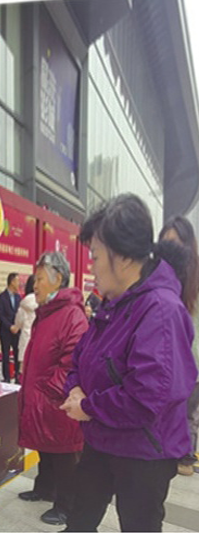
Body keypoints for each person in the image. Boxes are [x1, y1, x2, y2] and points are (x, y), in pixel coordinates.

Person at [60, 194, 198, 532]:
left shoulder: (161, 310)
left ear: (121, 257)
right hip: (102, 437)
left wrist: (88, 406)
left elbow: (146, 398)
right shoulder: (114, 304)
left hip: (144, 452)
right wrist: (75, 390)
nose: (91, 266)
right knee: (79, 519)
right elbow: (80, 358)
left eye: (95, 256)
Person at [17, 252, 88, 526]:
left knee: (64, 453)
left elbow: (72, 363)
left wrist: (48, 391)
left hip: (58, 400)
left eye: (39, 279)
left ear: (58, 279)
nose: (34, 285)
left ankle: (66, 506)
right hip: (42, 397)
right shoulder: (47, 312)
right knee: (45, 447)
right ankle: (45, 488)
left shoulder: (72, 315)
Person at [159, 215, 199, 477]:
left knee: (186, 418)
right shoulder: (157, 277)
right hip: (163, 367)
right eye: (165, 242)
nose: (169, 249)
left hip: (191, 368)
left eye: (174, 242)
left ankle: (184, 454)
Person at [0, 272, 21, 383]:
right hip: (5, 331)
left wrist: (17, 326)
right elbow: (0, 315)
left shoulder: (18, 297)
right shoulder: (2, 297)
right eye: (17, 281)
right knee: (5, 355)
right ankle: (6, 378)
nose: (19, 283)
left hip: (16, 331)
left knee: (17, 354)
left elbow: (20, 314)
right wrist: (10, 326)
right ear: (12, 282)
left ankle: (17, 377)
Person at [10, 274, 37, 374]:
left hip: (26, 337)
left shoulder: (24, 303)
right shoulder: (44, 302)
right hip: (39, 338)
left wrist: (16, 327)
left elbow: (18, 321)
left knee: (24, 370)